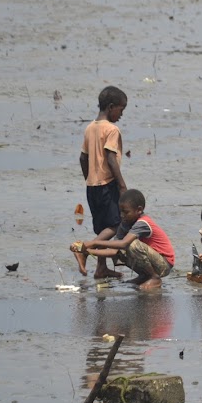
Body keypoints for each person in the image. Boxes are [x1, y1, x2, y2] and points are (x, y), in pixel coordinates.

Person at [71, 189, 175, 291]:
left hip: (164, 264)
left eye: (126, 212)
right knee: (120, 251)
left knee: (132, 245)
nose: (122, 215)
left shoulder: (143, 223)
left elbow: (124, 243)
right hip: (153, 261)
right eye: (120, 211)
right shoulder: (125, 224)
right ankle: (145, 276)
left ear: (139, 210)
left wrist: (93, 242)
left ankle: (154, 277)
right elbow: (114, 251)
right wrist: (87, 251)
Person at [78, 85, 128, 278]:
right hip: (108, 184)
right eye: (121, 110)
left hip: (92, 186)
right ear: (111, 107)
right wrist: (122, 186)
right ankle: (84, 251)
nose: (121, 115)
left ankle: (101, 268)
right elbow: (110, 158)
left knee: (102, 228)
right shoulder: (111, 130)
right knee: (115, 226)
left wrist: (89, 179)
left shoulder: (90, 128)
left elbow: (83, 158)